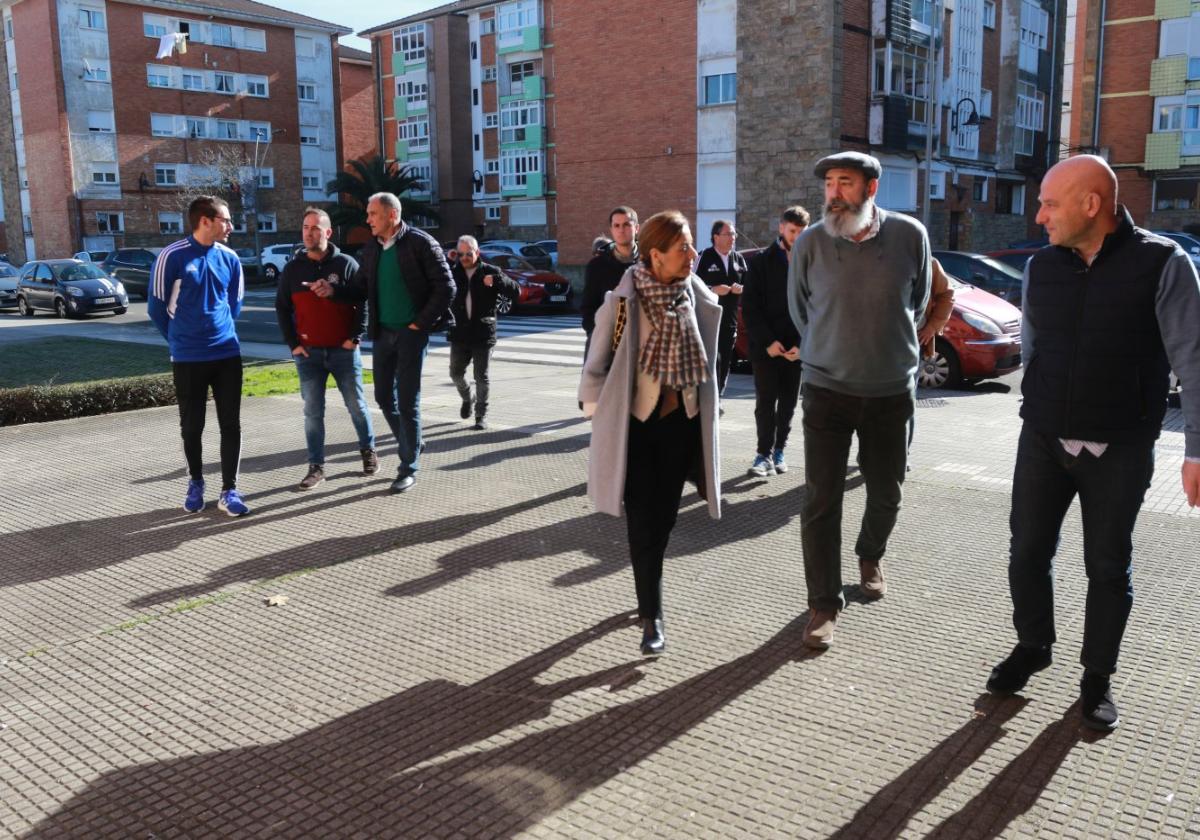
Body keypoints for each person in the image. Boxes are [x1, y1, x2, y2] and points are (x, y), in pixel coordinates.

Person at [985, 155, 1200, 732]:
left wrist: (1196, 450)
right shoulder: (1041, 267)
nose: (1039, 216)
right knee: (1027, 550)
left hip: (1121, 448)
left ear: (1091, 204)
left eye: (1050, 203)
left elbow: (1193, 359)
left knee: (1107, 567)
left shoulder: (1162, 263)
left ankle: (1096, 678)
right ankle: (1034, 646)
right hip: (1044, 440)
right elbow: (1032, 348)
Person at [788, 152, 931, 650]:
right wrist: (830, 350)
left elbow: (919, 299)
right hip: (826, 390)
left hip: (891, 391)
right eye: (828, 183)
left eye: (844, 183)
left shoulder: (910, 236)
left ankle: (870, 553)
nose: (833, 193)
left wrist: (886, 351)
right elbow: (800, 308)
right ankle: (823, 603)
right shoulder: (810, 243)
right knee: (820, 501)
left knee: (888, 490)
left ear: (871, 189)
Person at [578, 210, 722, 656]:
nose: (693, 255)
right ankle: (651, 614)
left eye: (693, 245)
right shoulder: (623, 302)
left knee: (665, 519)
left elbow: (713, 353)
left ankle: (648, 586)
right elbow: (597, 360)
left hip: (683, 423)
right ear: (656, 255)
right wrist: (596, 411)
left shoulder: (694, 293)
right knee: (643, 523)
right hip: (636, 427)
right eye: (684, 248)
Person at [310, 193, 454, 494]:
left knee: (407, 401)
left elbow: (446, 287)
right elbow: (359, 288)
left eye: (372, 213)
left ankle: (408, 467)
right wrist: (333, 289)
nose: (367, 219)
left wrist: (419, 324)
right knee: (384, 398)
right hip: (384, 334)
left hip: (411, 335)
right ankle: (411, 443)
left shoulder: (421, 243)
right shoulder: (373, 248)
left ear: (391, 215)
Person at [148, 195, 250, 517]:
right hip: (188, 358)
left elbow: (234, 304)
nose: (231, 226)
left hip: (226, 354)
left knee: (230, 424)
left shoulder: (231, 258)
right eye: (225, 220)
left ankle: (229, 489)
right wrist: (179, 341)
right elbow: (157, 309)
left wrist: (219, 332)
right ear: (204, 221)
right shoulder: (171, 257)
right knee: (192, 427)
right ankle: (195, 482)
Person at [275, 207, 377, 490]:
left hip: (343, 351)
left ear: (328, 233)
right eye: (306, 228)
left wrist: (355, 337)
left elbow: (363, 301)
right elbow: (282, 309)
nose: (309, 233)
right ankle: (316, 467)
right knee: (312, 412)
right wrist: (293, 345)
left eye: (315, 228)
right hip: (308, 355)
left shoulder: (345, 264)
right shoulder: (293, 269)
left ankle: (368, 451)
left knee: (356, 406)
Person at [742, 206, 809, 476]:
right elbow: (750, 308)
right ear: (781, 228)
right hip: (766, 348)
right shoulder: (760, 262)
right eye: (793, 231)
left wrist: (803, 344)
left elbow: (816, 307)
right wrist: (768, 342)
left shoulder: (811, 263)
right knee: (766, 403)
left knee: (789, 403)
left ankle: (780, 450)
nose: (797, 236)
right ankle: (763, 455)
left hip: (797, 348)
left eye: (802, 232)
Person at [447, 235, 519, 430]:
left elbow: (516, 291)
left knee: (482, 376)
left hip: (483, 333)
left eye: (468, 254)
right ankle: (467, 397)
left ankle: (481, 416)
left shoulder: (490, 271)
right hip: (459, 333)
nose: (464, 258)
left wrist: (496, 281)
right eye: (460, 254)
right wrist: (449, 259)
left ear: (477, 253)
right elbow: (437, 281)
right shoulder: (454, 273)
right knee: (455, 374)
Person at [693, 219, 748, 401]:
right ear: (716, 237)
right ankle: (707, 397)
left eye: (734, 234)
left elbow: (749, 284)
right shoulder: (704, 257)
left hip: (729, 321)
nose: (732, 238)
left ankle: (718, 397)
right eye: (728, 234)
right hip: (707, 321)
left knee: (725, 361)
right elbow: (692, 286)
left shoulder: (738, 259)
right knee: (711, 359)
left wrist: (741, 288)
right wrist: (713, 289)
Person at [580, 206, 639, 359]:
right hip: (604, 346)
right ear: (611, 230)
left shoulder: (648, 262)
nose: (621, 230)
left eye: (627, 224)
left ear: (636, 228)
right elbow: (588, 307)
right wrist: (596, 334)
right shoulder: (597, 265)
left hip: (640, 347)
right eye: (616, 225)